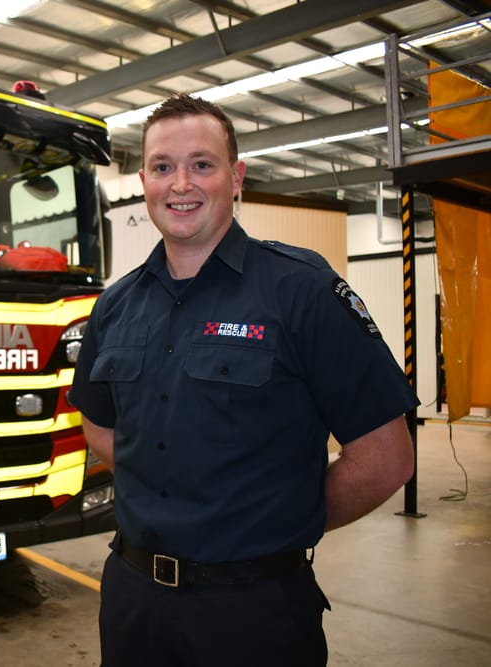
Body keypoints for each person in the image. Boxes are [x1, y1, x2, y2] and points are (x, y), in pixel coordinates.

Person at [68, 93, 418, 667]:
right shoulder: (115, 305)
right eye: (162, 167)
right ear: (143, 182)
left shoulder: (300, 291)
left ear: (237, 177)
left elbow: (387, 458)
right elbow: (100, 428)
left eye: (202, 164)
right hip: (133, 604)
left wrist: (280, 519)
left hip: (254, 612)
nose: (181, 183)